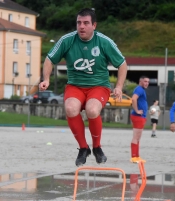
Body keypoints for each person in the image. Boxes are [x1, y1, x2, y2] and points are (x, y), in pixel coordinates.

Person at [39, 8, 128, 167]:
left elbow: (122, 64)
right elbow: (49, 59)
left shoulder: (104, 42)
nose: (81, 26)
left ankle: (97, 147)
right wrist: (46, 79)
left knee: (92, 110)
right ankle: (83, 148)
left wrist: (119, 87)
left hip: (98, 85)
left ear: (94, 25)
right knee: (70, 108)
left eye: (86, 23)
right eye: (79, 23)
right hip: (75, 85)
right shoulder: (67, 40)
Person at [130, 76, 149, 163]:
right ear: (140, 81)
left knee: (138, 138)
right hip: (138, 116)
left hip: (141, 116)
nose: (146, 83)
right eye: (145, 81)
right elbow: (133, 99)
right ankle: (134, 156)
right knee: (136, 137)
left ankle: (137, 156)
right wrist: (137, 110)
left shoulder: (141, 90)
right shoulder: (139, 89)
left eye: (148, 82)